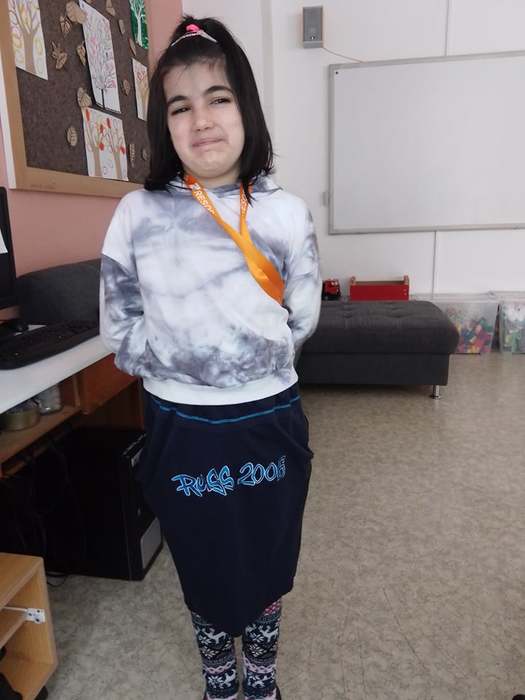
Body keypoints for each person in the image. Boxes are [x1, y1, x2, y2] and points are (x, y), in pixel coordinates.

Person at [99, 15, 321, 700]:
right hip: (180, 423)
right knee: (200, 556)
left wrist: (247, 361)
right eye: (179, 106)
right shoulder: (137, 214)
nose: (201, 120)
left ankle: (261, 676)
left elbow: (302, 316)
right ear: (163, 124)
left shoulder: (285, 213)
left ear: (245, 107)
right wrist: (177, 363)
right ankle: (219, 678)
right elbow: (118, 318)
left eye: (218, 98)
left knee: (268, 551)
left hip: (268, 417)